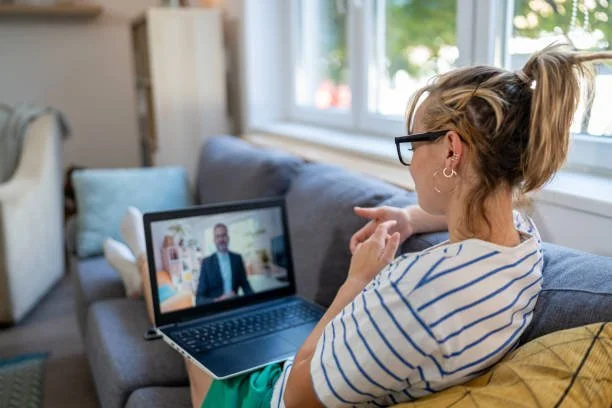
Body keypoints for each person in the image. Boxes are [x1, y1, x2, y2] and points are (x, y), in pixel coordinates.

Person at [139, 45, 611, 407]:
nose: (410, 166)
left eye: (412, 145)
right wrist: (408, 218)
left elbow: (299, 394)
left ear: (451, 150)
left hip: (277, 395)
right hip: (336, 364)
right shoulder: (525, 246)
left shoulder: (418, 290)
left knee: (185, 317)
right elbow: (489, 211)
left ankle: (139, 268)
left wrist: (356, 280)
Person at [195, 223, 253, 304]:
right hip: (216, 309)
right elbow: (199, 299)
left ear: (228, 238)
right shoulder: (206, 263)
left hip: (236, 305)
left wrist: (255, 302)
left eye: (224, 235)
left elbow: (245, 285)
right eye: (218, 236)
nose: (221, 239)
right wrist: (218, 301)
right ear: (214, 240)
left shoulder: (237, 258)